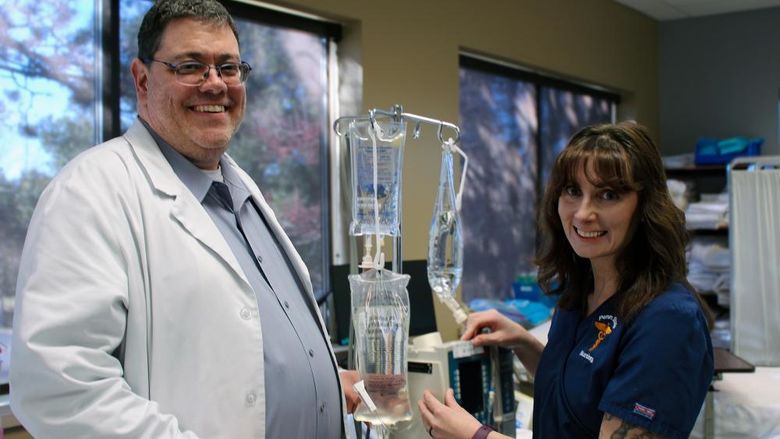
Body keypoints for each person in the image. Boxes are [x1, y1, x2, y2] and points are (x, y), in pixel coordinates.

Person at [10, 1, 359, 437]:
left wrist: (319, 380)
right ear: (142, 80)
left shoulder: (239, 191)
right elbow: (59, 387)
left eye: (229, 67)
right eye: (191, 66)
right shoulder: (89, 192)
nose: (215, 84)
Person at [418, 122, 714, 439]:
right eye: (573, 191)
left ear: (645, 206)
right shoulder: (582, 291)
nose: (583, 213)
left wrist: (476, 436)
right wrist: (522, 342)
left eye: (608, 194)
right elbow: (583, 391)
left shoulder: (667, 320)